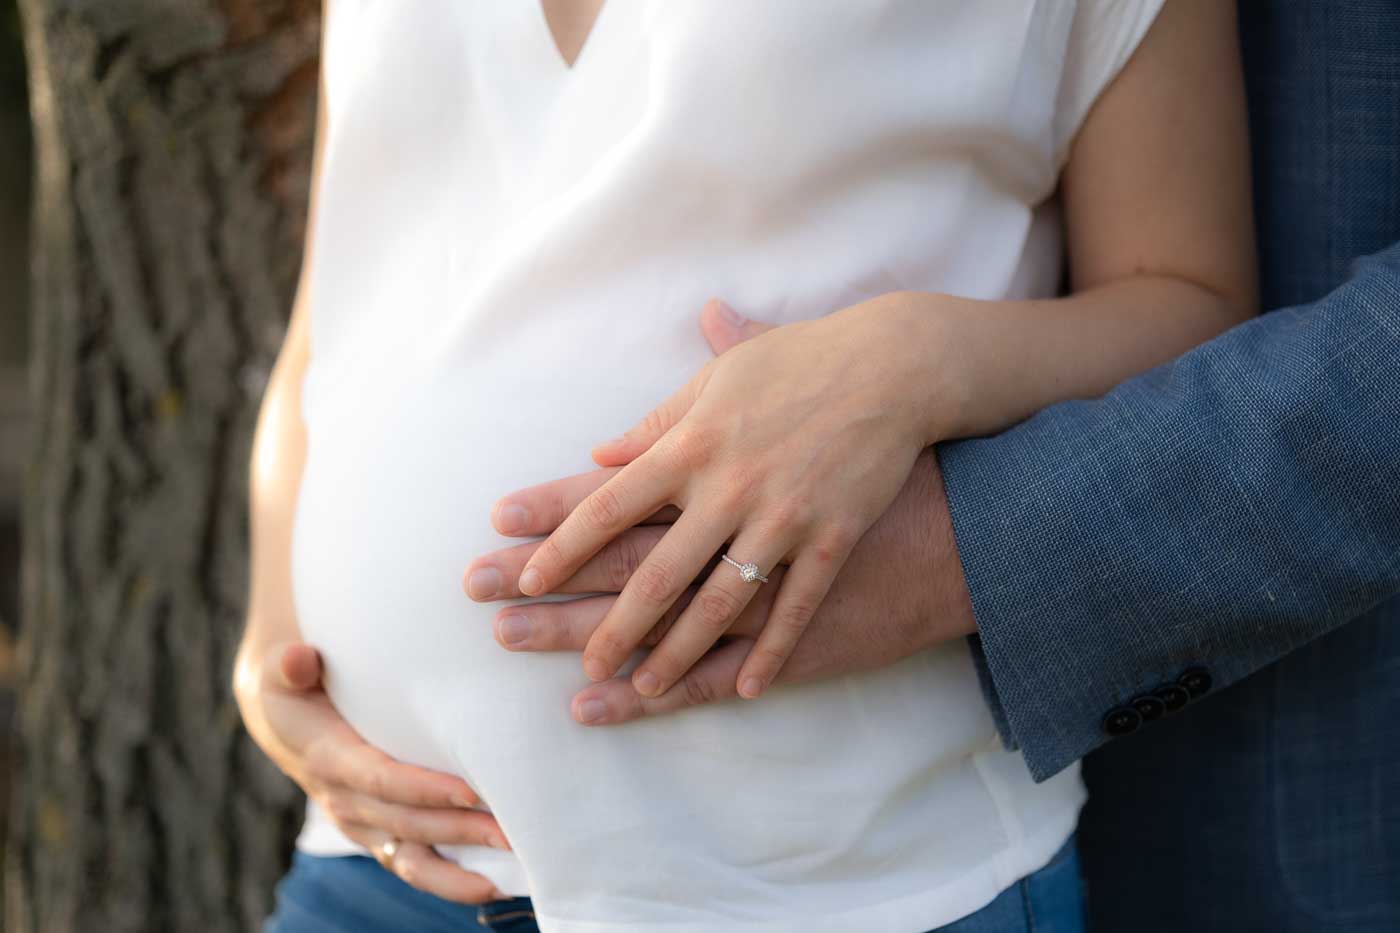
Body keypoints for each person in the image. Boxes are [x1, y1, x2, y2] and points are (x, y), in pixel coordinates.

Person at [235, 1, 1257, 930]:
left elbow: (1189, 302)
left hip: (828, 881)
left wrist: (911, 360)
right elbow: (344, 300)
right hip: (381, 867)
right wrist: (273, 635)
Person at [462, 1, 1400, 930]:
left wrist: (930, 414)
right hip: (387, 853)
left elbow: (1185, 292)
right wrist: (309, 636)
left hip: (840, 859)